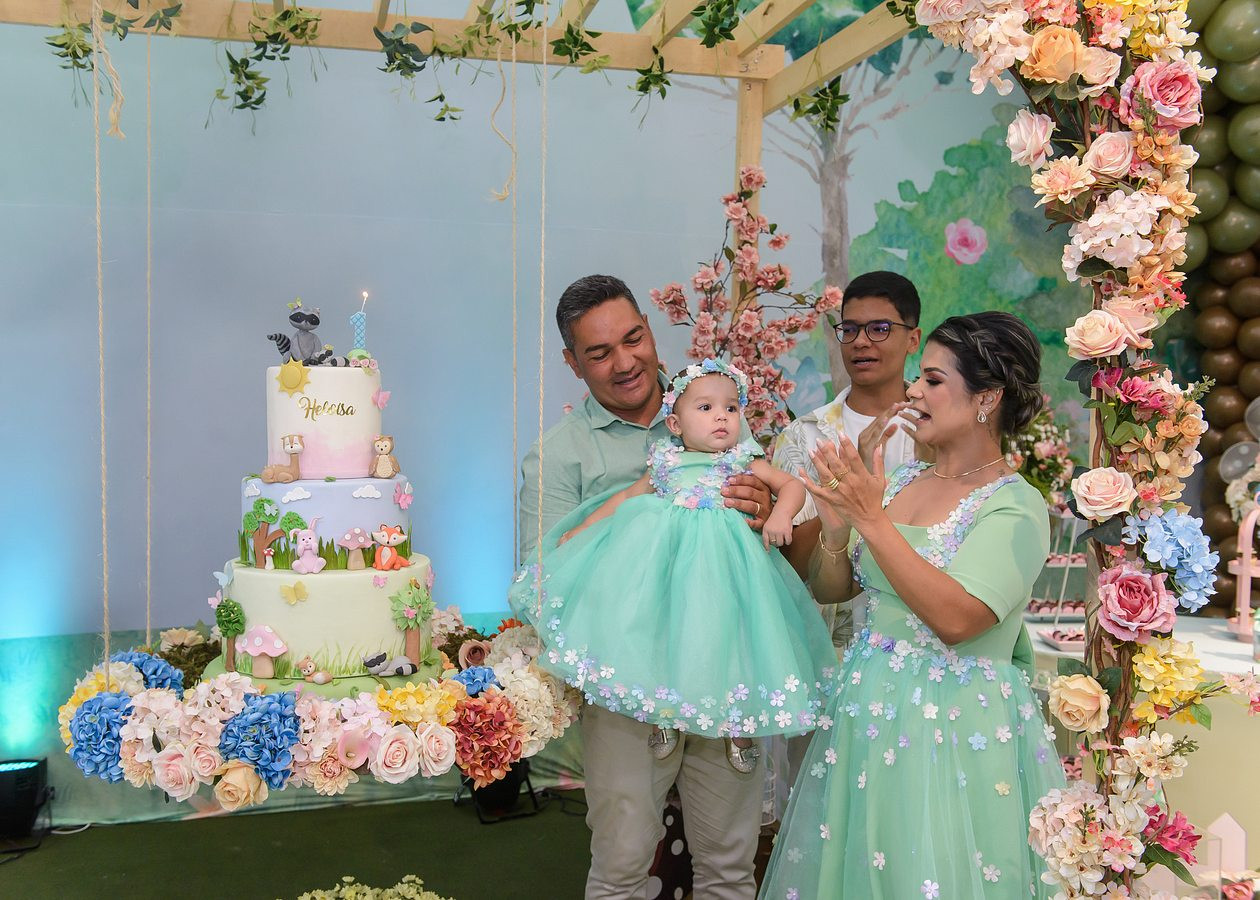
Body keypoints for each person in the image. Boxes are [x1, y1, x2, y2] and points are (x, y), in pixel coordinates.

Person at [760, 312, 1066, 899]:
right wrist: (835, 529)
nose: (914, 391)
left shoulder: (1014, 505)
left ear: (987, 398)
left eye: (933, 379)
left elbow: (957, 620)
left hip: (956, 724)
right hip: (869, 712)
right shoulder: (901, 482)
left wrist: (871, 521)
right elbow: (835, 589)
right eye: (919, 378)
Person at [517, 275, 774, 899]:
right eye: (600, 352)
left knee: (731, 867)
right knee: (622, 867)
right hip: (627, 691)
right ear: (572, 363)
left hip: (724, 669)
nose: (626, 362)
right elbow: (544, 580)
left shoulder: (717, 413)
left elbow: (776, 537)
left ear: (651, 331)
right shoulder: (559, 456)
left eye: (633, 339)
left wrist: (764, 512)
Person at [511, 358, 837, 774]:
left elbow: (791, 485)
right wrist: (586, 527)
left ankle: (738, 726)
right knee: (665, 642)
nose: (721, 416)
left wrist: (781, 515)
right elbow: (626, 498)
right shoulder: (665, 462)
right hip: (669, 576)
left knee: (734, 644)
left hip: (727, 576)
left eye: (731, 407)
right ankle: (662, 714)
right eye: (706, 408)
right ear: (675, 424)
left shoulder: (742, 460)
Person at [772, 270, 926, 646]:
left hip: (922, 643)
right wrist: (843, 493)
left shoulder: (936, 430)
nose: (861, 342)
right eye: (850, 329)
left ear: (913, 339)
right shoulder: (803, 436)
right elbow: (784, 565)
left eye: (879, 329)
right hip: (829, 647)